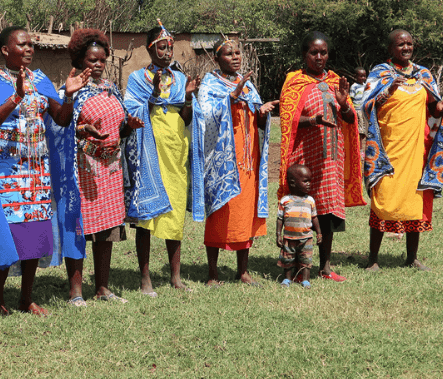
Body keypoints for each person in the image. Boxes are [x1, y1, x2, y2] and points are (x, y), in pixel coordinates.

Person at [0, 26, 90, 317]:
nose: (29, 49)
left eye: (31, 45)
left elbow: (61, 119)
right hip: (7, 171)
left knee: (35, 235)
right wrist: (16, 95)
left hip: (37, 171)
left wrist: (71, 95)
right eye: (22, 44)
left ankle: (26, 298)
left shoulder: (40, 79)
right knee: (7, 233)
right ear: (4, 50)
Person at [50, 29, 144, 306]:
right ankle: (75, 291)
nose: (98, 65)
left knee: (108, 229)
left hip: (111, 168)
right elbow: (59, 126)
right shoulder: (68, 90)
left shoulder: (112, 89)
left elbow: (119, 126)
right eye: (92, 60)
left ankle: (102, 287)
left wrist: (129, 125)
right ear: (79, 60)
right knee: (79, 227)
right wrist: (81, 130)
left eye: (102, 60)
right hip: (82, 169)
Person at [278, 31, 366, 282]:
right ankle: (295, 266)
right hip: (304, 157)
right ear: (304, 54)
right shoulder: (294, 82)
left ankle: (325, 267)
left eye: (323, 52)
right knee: (299, 211)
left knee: (328, 212)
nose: (319, 57)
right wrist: (312, 120)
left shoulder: (337, 81)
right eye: (313, 52)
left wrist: (345, 103)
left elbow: (349, 119)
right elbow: (287, 119)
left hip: (331, 158)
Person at [124, 20, 203, 296]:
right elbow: (131, 114)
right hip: (149, 147)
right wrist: (154, 93)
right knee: (147, 214)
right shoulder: (137, 78)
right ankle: (145, 278)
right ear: (150, 49)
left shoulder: (180, 79)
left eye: (170, 47)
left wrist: (190, 99)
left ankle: (175, 276)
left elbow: (186, 117)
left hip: (176, 147)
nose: (167, 51)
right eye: (161, 46)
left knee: (176, 210)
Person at [363, 29, 443, 271]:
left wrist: (439, 108)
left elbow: (431, 109)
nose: (406, 47)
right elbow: (367, 106)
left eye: (410, 44)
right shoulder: (380, 73)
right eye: (401, 44)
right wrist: (388, 90)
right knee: (383, 200)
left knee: (415, 201)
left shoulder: (423, 74)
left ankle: (411, 258)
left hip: (416, 149)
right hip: (388, 150)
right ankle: (373, 259)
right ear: (391, 49)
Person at [198, 38, 277, 287]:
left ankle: (242, 271)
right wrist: (230, 97)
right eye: (229, 53)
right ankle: (213, 274)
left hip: (248, 161)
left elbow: (256, 119)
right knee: (220, 212)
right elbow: (205, 116)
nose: (235, 57)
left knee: (245, 213)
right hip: (222, 161)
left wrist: (263, 114)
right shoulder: (210, 83)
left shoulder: (248, 86)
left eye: (238, 53)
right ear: (216, 57)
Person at [276, 164, 323, 289]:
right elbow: (280, 219)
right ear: (293, 182)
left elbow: (314, 218)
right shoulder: (285, 201)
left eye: (310, 181)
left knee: (306, 259)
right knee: (288, 259)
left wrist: (319, 233)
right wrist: (278, 235)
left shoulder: (310, 201)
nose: (309, 184)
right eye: (305, 181)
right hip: (289, 238)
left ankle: (305, 280)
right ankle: (287, 279)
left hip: (306, 237)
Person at [350, 67, 368, 157]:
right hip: (357, 111)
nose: (363, 78)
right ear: (355, 77)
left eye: (364, 76)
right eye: (360, 76)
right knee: (359, 131)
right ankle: (359, 149)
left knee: (363, 131)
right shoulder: (354, 86)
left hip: (364, 111)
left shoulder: (366, 86)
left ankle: (362, 149)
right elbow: (351, 99)